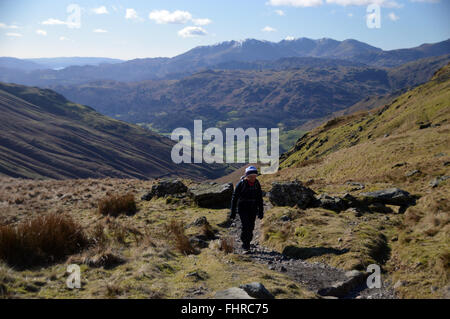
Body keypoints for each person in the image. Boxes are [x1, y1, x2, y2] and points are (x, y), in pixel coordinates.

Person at [229, 166, 264, 251]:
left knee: (251, 226)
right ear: (246, 176)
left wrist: (261, 211)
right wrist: (233, 212)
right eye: (250, 176)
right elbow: (234, 198)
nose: (253, 178)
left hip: (253, 208)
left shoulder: (257, 183)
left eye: (254, 176)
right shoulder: (241, 184)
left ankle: (247, 241)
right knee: (246, 226)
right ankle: (245, 244)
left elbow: (259, 197)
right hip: (243, 208)